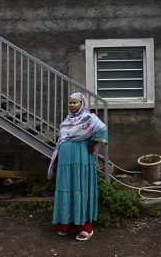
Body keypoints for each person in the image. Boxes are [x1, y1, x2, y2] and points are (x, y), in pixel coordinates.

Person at [47, 92, 108, 241]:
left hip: (82, 158)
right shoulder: (67, 120)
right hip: (66, 161)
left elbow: (103, 129)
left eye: (75, 102)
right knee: (68, 187)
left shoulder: (89, 118)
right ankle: (68, 224)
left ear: (82, 104)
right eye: (70, 103)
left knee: (81, 187)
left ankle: (85, 227)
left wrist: (92, 145)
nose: (72, 105)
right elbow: (62, 139)